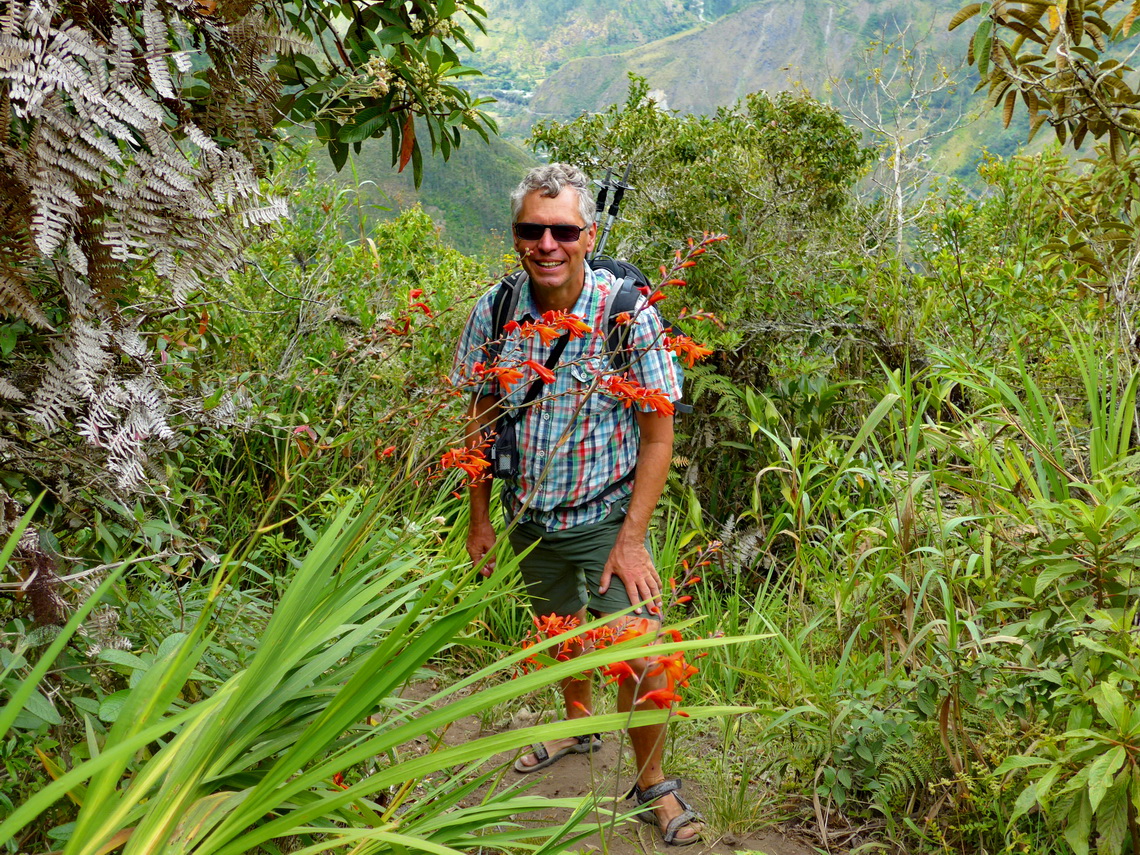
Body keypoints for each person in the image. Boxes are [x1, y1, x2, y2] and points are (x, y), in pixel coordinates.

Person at [450, 163, 702, 846]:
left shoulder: (625, 312)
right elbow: (478, 413)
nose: (547, 243)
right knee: (559, 634)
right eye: (533, 229)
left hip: (605, 518)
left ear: (588, 235)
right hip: (529, 517)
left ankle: (652, 782)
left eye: (563, 230)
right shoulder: (496, 310)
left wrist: (631, 539)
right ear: (516, 235)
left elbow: (658, 431)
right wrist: (479, 517)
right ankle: (578, 727)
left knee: (644, 657)